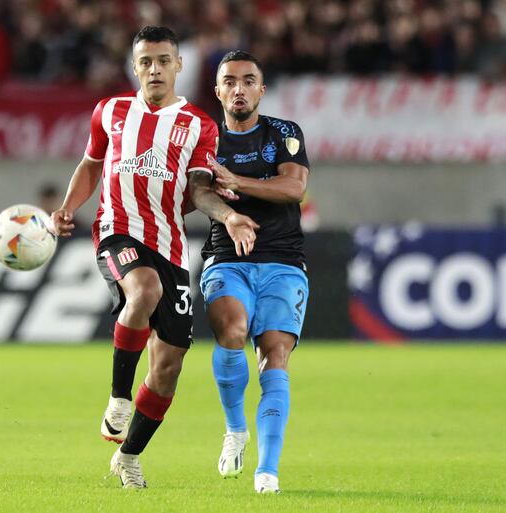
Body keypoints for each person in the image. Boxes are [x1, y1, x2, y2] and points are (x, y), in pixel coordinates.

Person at [51, 27, 258, 489]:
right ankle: (118, 398)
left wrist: (226, 215)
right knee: (144, 289)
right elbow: (91, 164)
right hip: (116, 231)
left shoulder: (200, 126)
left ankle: (128, 456)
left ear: (179, 65)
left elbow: (201, 190)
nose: (155, 69)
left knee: (168, 368)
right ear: (135, 65)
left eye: (164, 60)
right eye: (146, 61)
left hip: (169, 245)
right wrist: (68, 207)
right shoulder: (111, 111)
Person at [200, 50, 310, 494]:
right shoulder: (204, 139)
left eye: (249, 81)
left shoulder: (285, 132)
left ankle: (268, 470)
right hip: (228, 257)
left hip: (284, 262)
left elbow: (295, 187)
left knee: (273, 358)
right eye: (230, 81)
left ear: (261, 90)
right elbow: (198, 192)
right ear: (218, 90)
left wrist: (239, 183)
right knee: (231, 331)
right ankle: (234, 428)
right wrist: (230, 216)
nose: (239, 89)